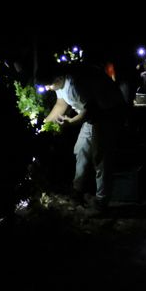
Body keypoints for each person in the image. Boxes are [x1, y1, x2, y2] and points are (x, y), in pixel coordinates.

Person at [42, 62, 125, 210]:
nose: (48, 88)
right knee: (80, 149)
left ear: (58, 78)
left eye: (49, 85)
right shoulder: (59, 84)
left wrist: (71, 122)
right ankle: (78, 191)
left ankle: (101, 202)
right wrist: (43, 126)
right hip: (91, 115)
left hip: (108, 112)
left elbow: (91, 109)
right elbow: (60, 104)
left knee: (100, 155)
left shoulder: (76, 83)